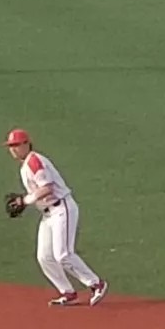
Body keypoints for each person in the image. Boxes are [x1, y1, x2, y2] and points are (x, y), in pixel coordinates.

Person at [6, 128, 108, 307]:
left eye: (16, 145)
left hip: (63, 208)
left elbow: (48, 188)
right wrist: (26, 200)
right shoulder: (26, 165)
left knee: (63, 254)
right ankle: (67, 292)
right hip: (48, 215)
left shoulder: (34, 161)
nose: (13, 149)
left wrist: (25, 200)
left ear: (26, 144)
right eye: (10, 146)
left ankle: (96, 284)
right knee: (44, 256)